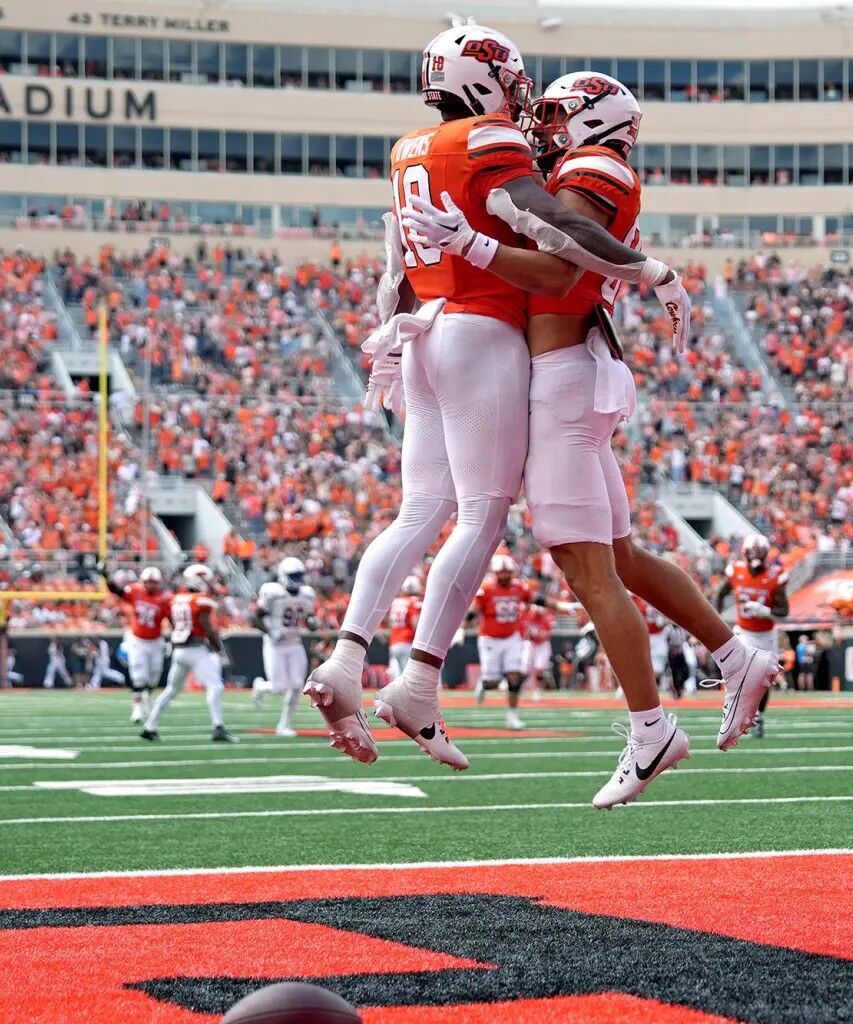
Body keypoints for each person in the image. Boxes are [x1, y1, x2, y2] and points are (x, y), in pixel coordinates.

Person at [306, 25, 692, 773]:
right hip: (479, 331)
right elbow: (556, 227)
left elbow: (402, 260)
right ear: (482, 78)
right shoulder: (488, 138)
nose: (523, 102)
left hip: (421, 329)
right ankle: (416, 679)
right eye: (513, 83)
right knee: (481, 514)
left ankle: (348, 657)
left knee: (418, 511)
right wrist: (650, 272)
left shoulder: (408, 148)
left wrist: (390, 323)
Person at [399, 69, 775, 794]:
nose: (540, 125)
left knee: (585, 568)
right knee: (624, 559)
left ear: (594, 119)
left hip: (567, 375)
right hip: (573, 372)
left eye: (553, 114)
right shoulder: (584, 164)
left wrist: (472, 247)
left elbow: (556, 267)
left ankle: (651, 731)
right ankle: (736, 658)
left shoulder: (593, 166)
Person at [142, 564, 233, 742]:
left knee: (171, 690)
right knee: (215, 686)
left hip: (179, 650)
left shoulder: (177, 598)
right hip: (195, 649)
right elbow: (207, 627)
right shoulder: (200, 600)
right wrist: (219, 649)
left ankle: (149, 726)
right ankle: (218, 727)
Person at [715, 534, 788, 739]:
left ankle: (758, 717)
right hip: (744, 631)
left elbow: (784, 611)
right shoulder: (736, 571)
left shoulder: (775, 576)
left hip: (766, 634)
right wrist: (717, 619)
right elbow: (719, 594)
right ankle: (733, 709)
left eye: (759, 553)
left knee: (763, 680)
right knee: (742, 669)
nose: (756, 558)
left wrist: (765, 611)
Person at [252, 557, 317, 737]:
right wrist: (271, 632)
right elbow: (255, 618)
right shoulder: (273, 592)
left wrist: (312, 622)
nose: (297, 579)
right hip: (275, 645)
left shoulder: (306, 594)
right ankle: (260, 687)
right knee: (279, 687)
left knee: (297, 685)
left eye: (299, 575)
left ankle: (284, 724)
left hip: (294, 642)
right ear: (283, 576)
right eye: (293, 575)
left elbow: (309, 618)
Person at [99, 564, 171, 724]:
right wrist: (106, 577)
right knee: (138, 676)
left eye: (154, 582)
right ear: (143, 581)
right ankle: (137, 709)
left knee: (153, 678)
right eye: (148, 581)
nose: (151, 585)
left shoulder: (165, 598)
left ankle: (146, 697)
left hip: (156, 641)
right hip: (138, 640)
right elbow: (117, 591)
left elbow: (171, 618)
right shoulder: (135, 591)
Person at [470, 554, 534, 730]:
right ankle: (484, 683)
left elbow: (536, 599)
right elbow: (473, 611)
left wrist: (561, 606)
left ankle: (512, 717)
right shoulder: (487, 588)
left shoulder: (519, 587)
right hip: (489, 638)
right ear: (495, 573)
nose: (505, 576)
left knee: (514, 677)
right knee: (494, 682)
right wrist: (460, 628)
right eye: (501, 572)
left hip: (512, 637)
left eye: (508, 572)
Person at [385, 576, 423, 680]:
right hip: (407, 641)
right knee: (408, 679)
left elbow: (389, 622)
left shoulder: (396, 602)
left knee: (396, 678)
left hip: (393, 643)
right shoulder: (413, 601)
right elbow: (415, 623)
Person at [522, 596, 556, 694]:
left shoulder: (547, 616)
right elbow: (523, 632)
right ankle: (520, 688)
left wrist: (536, 635)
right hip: (530, 644)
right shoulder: (527, 615)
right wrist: (529, 635)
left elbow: (546, 634)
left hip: (542, 645)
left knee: (540, 669)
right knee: (524, 669)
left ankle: (537, 690)